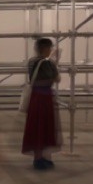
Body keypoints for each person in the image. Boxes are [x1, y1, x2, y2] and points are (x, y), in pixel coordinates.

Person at [22, 38, 62, 170]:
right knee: (44, 126)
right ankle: (41, 159)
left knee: (36, 127)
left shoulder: (31, 61)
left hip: (35, 97)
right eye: (50, 48)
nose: (51, 50)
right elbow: (56, 78)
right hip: (44, 98)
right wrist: (55, 61)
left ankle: (38, 157)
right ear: (45, 48)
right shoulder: (48, 63)